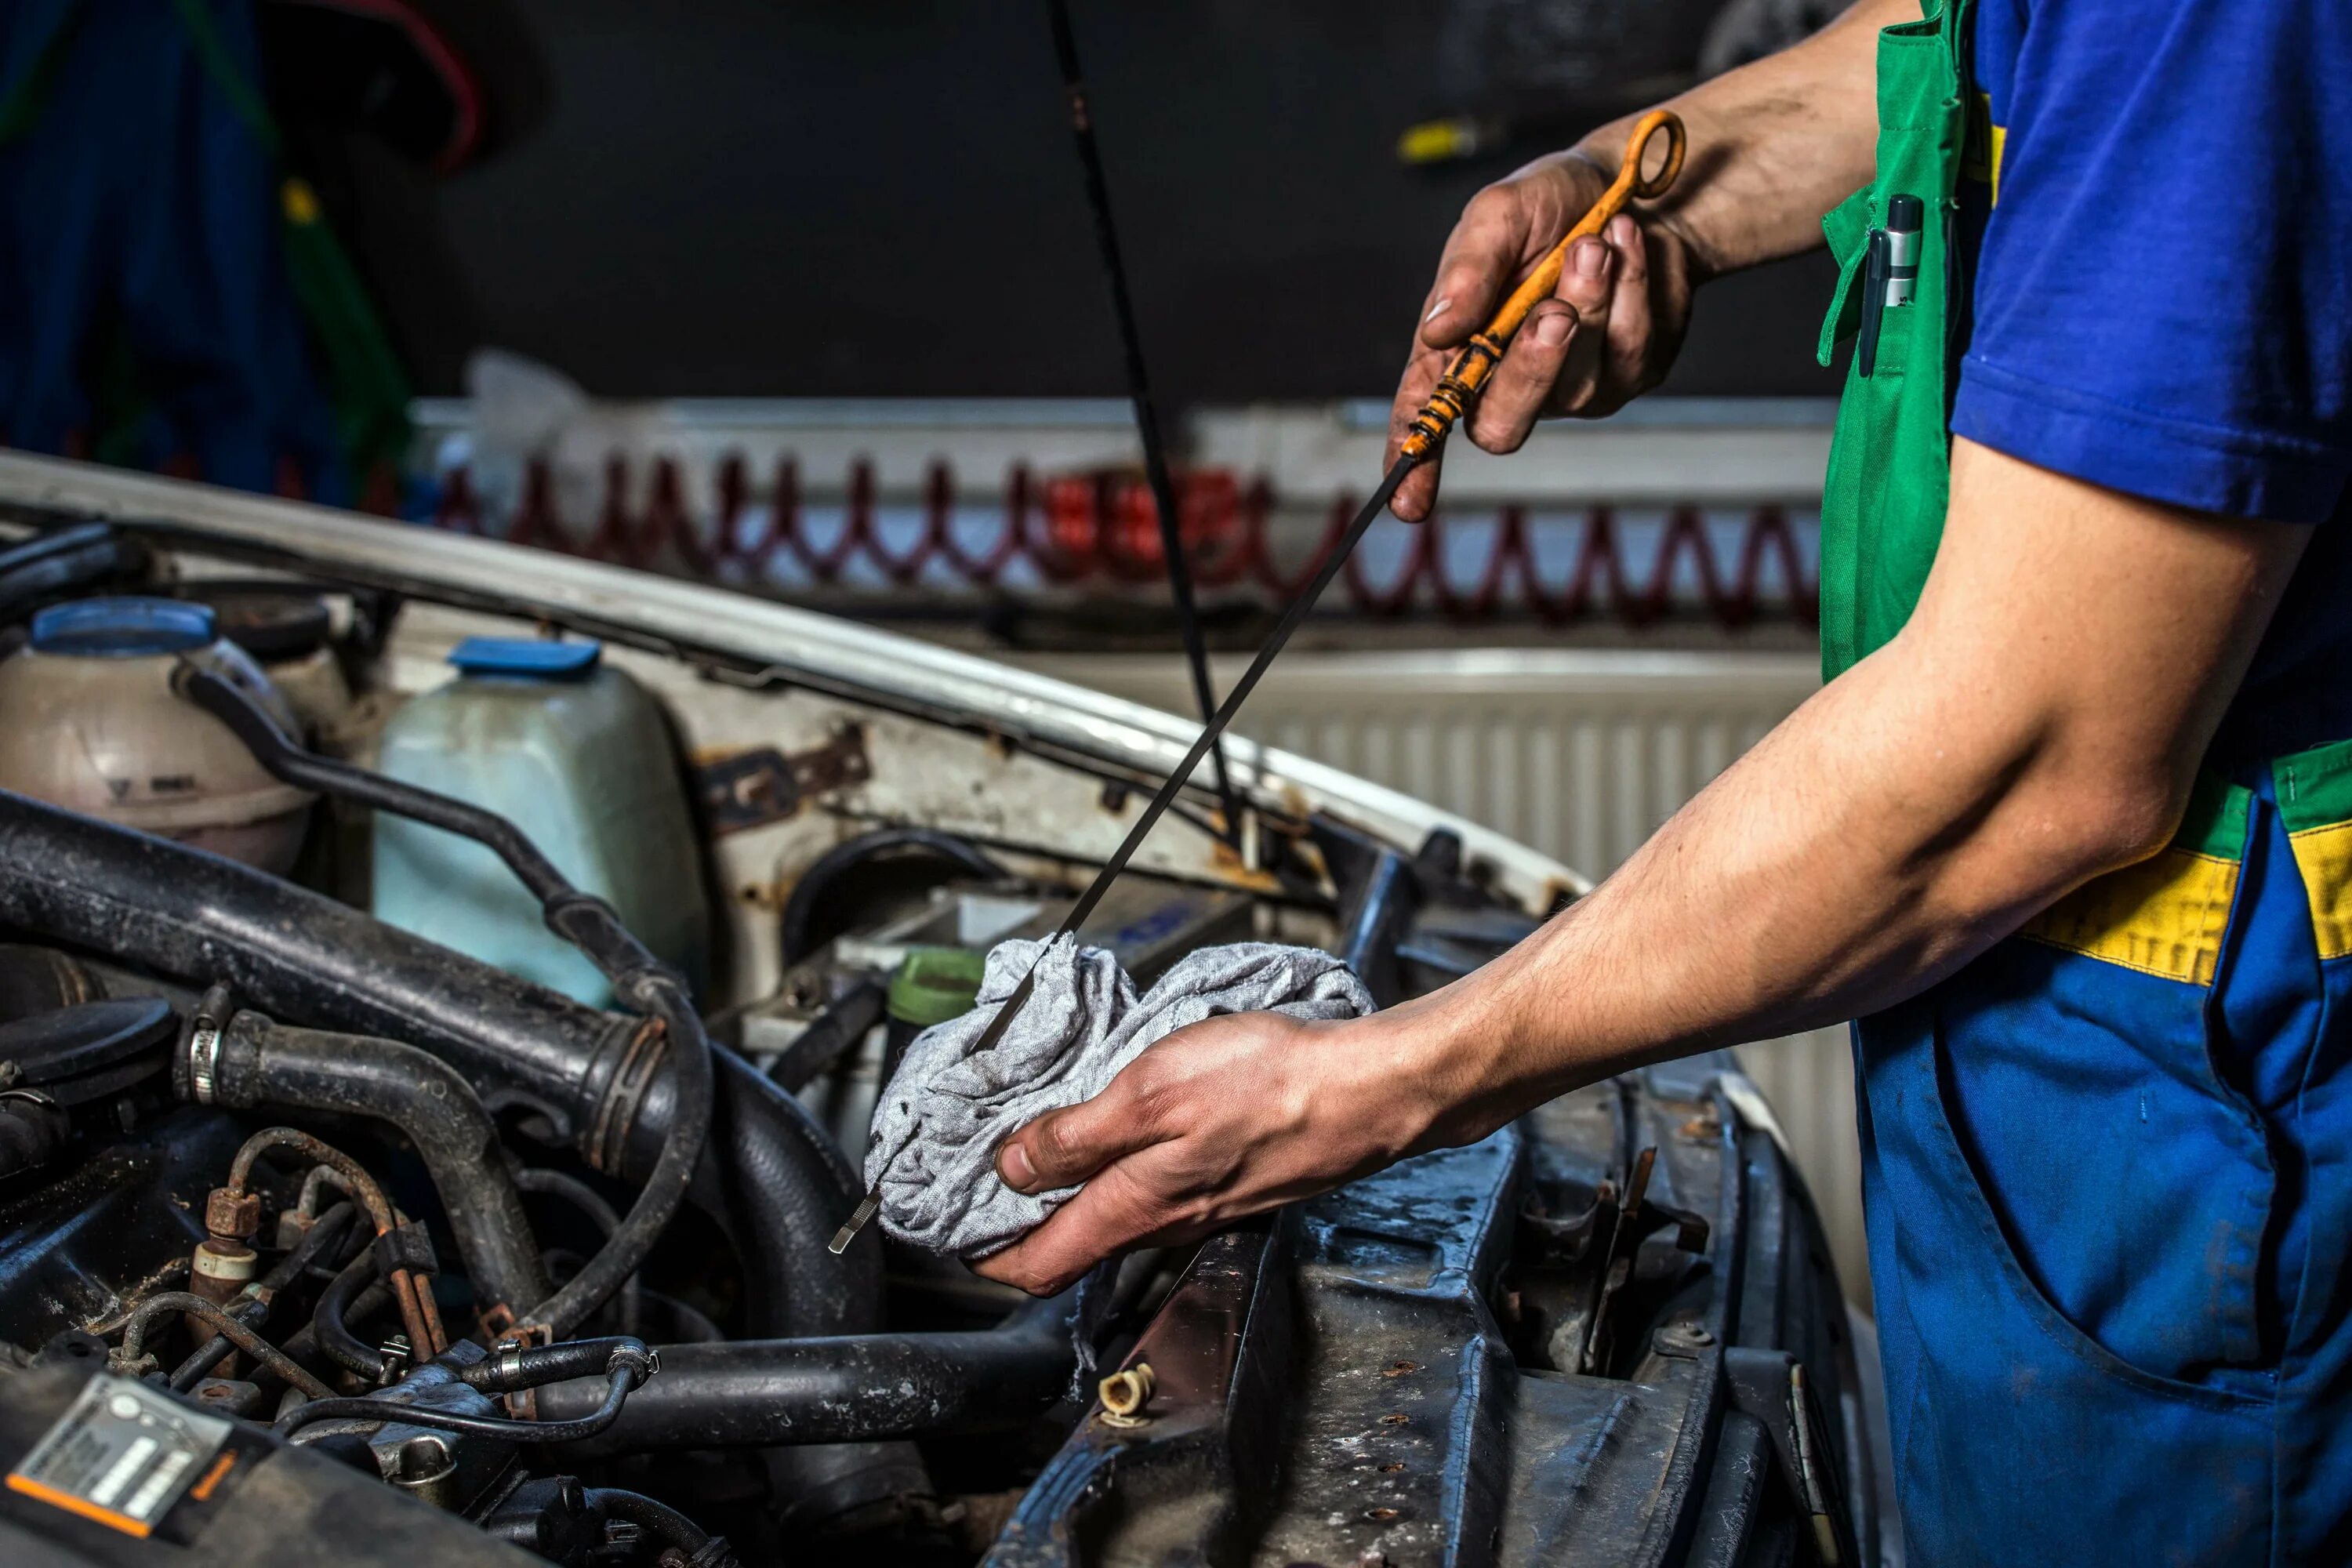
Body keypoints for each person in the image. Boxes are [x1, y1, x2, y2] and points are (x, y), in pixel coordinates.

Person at [976, 0, 2352, 1558]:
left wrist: (1376, 1082)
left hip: (2225, 1096)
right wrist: (1653, 191)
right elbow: (1973, 38)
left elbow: (2041, 753)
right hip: (2048, 1035)